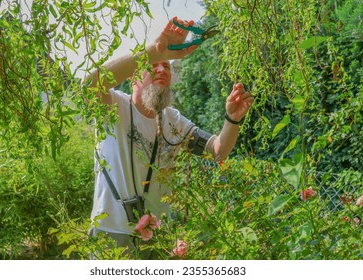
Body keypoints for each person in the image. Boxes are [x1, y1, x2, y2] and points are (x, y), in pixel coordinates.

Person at [85, 17, 254, 257]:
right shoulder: (113, 107)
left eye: (167, 66)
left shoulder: (173, 120)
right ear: (133, 79)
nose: (162, 69)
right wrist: (152, 52)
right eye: (153, 66)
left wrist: (232, 119)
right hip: (111, 232)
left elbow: (218, 151)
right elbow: (90, 84)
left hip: (157, 236)